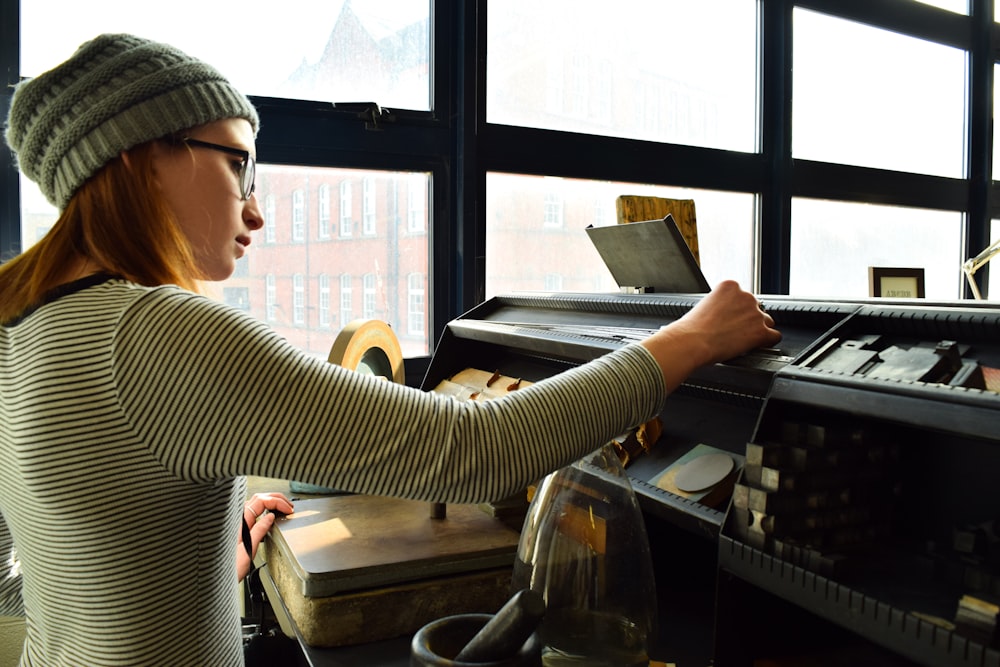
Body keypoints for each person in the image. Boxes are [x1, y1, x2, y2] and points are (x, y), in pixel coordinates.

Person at [0, 33, 781, 667]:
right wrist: (690, 339)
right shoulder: (152, 332)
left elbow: (22, 570)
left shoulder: (19, 326)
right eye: (241, 161)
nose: (256, 208)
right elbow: (474, 449)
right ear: (140, 155)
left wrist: (188, 563)